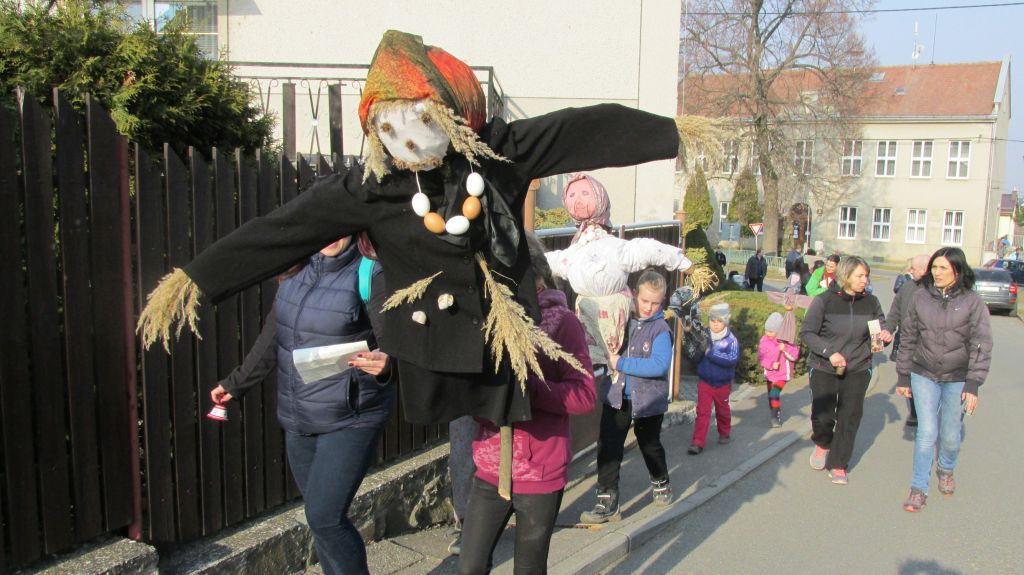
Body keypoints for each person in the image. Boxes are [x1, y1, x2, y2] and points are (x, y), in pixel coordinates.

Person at [210, 237, 392, 575]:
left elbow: (395, 343)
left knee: (325, 518)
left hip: (352, 415)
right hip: (299, 414)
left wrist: (387, 363)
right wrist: (236, 384)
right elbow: (272, 336)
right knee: (318, 518)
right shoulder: (294, 268)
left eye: (339, 228)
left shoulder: (371, 272)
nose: (331, 237)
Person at [459, 234, 596, 573]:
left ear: (534, 275)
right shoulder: (489, 320)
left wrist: (530, 389)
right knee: (469, 566)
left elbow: (585, 394)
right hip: (491, 466)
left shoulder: (562, 322)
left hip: (540, 470)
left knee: (529, 568)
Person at [896, 247, 992, 512]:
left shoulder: (972, 302)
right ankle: (918, 488)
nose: (937, 273)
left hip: (957, 377)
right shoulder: (920, 297)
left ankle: (946, 468)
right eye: (934, 268)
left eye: (943, 268)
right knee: (927, 432)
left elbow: (981, 344)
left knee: (950, 435)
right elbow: (908, 336)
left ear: (957, 271)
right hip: (923, 373)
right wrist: (903, 375)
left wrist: (973, 384)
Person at [580, 270, 675, 524]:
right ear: (634, 294)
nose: (649, 307)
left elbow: (659, 365)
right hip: (616, 396)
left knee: (649, 445)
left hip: (648, 401)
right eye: (644, 301)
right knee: (608, 447)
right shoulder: (621, 320)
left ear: (662, 301)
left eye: (655, 303)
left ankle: (660, 480)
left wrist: (621, 363)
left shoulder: (661, 329)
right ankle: (607, 501)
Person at [800, 256, 892, 485]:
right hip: (824, 366)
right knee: (823, 415)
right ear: (845, 276)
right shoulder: (824, 301)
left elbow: (879, 328)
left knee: (850, 416)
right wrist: (830, 352)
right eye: (860, 275)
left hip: (858, 366)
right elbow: (807, 332)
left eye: (866, 275)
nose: (865, 280)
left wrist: (884, 335)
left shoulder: (871, 302)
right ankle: (823, 442)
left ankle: (838, 463)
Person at [688, 303, 740, 454]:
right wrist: (696, 347)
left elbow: (731, 359)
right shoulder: (704, 335)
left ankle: (724, 432)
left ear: (725, 321)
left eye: (719, 321)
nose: (715, 324)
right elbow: (696, 355)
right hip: (705, 381)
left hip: (723, 383)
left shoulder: (731, 340)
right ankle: (698, 442)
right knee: (702, 412)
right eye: (712, 320)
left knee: (722, 410)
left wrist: (710, 353)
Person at [885, 254, 930, 428]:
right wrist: (888, 329)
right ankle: (915, 411)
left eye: (913, 268)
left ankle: (927, 411)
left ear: (924, 270)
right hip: (908, 342)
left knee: (925, 379)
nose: (910, 271)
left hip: (928, 344)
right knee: (911, 376)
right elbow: (895, 312)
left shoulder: (935, 290)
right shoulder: (907, 287)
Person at [759, 312, 800, 428]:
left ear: (779, 331)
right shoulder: (764, 341)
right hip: (770, 374)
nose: (768, 333)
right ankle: (775, 410)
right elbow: (761, 358)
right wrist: (771, 365)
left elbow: (794, 357)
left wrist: (785, 348)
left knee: (774, 393)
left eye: (771, 331)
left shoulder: (787, 342)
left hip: (782, 375)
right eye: (766, 330)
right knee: (771, 396)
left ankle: (775, 418)